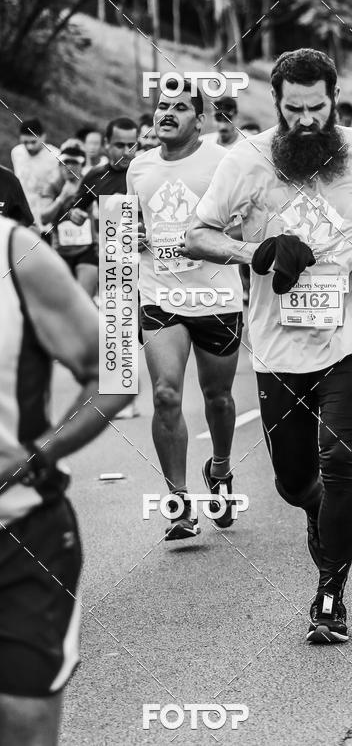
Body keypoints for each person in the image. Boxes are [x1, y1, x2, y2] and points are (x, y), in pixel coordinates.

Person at [182, 48, 352, 643]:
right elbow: (195, 234)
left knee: (340, 464)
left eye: (317, 107)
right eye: (294, 109)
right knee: (293, 482)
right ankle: (319, 513)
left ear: (333, 98)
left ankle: (330, 595)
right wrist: (252, 252)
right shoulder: (248, 159)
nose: (306, 120)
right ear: (277, 104)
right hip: (277, 348)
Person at [0, 216, 131, 746]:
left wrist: (39, 454)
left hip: (18, 534)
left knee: (21, 720)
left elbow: (116, 371)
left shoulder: (14, 252)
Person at [127, 81, 244, 540]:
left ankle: (219, 469)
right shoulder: (139, 167)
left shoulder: (222, 162)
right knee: (165, 395)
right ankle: (179, 503)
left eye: (180, 107)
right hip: (161, 296)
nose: (167, 113)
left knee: (218, 398)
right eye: (161, 106)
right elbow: (134, 222)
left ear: (200, 118)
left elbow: (245, 218)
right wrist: (134, 237)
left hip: (216, 297)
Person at [69, 117, 141, 418]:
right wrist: (75, 215)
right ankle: (124, 396)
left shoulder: (148, 170)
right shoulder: (96, 176)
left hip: (155, 263)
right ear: (107, 145)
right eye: (120, 145)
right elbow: (77, 208)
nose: (127, 151)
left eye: (132, 144)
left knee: (146, 330)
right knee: (118, 326)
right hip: (116, 260)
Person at [41, 142, 98, 299]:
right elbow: (44, 218)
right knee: (62, 300)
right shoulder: (52, 186)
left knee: (84, 299)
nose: (69, 168)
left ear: (82, 165)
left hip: (88, 250)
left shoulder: (90, 184)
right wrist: (61, 199)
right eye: (65, 163)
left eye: (74, 163)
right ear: (59, 166)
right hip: (60, 251)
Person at [10, 118, 59, 237]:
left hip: (44, 220)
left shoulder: (56, 156)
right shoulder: (17, 152)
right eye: (25, 142)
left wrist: (51, 188)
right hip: (21, 216)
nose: (29, 147)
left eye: (33, 142)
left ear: (43, 137)